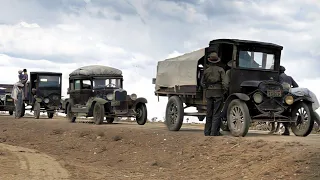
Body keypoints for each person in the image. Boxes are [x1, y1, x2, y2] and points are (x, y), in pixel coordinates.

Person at [201, 52, 228, 136]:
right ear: (217, 61)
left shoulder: (206, 71)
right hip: (218, 92)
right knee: (216, 113)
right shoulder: (220, 70)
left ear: (210, 61)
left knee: (209, 113)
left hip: (209, 93)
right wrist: (224, 90)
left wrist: (207, 88)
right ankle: (214, 132)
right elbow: (225, 83)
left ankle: (207, 132)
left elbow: (202, 83)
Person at [278, 65, 299, 135]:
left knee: (281, 112)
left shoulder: (278, 77)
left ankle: (286, 130)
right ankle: (287, 129)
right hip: (290, 97)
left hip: (281, 97)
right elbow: (296, 86)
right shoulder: (289, 77)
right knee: (286, 112)